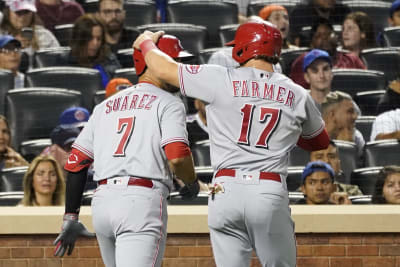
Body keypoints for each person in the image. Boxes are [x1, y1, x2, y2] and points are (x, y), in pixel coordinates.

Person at [133, 21, 330, 267]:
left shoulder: (219, 77)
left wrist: (145, 42)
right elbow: (319, 142)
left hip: (224, 191)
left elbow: (163, 69)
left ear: (242, 49)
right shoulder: (297, 93)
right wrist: (287, 128)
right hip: (267, 189)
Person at [53, 35, 199, 267]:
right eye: (171, 61)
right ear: (150, 63)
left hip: (102, 204)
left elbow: (76, 163)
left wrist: (71, 215)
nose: (177, 68)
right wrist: (192, 183)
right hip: (140, 203)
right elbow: (178, 155)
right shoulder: (170, 103)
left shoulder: (105, 106)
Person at [290, 18, 366, 89]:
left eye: (328, 34)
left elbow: (366, 84)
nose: (325, 38)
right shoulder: (303, 60)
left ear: (336, 38)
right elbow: (298, 92)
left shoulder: (352, 59)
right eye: (319, 36)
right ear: (312, 43)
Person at [56, 14, 121, 88]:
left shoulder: (109, 59)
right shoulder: (65, 62)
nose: (95, 43)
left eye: (98, 39)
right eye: (90, 38)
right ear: (79, 39)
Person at [321, 91, 365, 158]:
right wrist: (344, 146)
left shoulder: (356, 136)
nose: (355, 116)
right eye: (350, 111)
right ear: (332, 115)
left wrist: (350, 147)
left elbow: (361, 166)